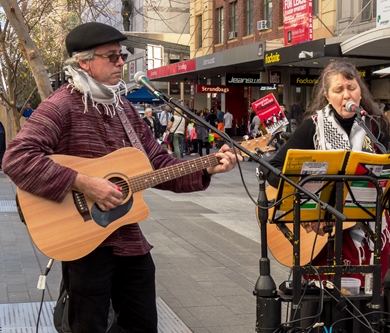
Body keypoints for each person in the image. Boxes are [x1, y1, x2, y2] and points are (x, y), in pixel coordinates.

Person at [1, 22, 240, 333]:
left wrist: (206, 167)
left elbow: (160, 167)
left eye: (122, 55)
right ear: (83, 62)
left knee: (142, 324)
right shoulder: (62, 105)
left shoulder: (123, 108)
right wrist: (85, 183)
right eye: (111, 56)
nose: (121, 62)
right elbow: (16, 158)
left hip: (129, 241)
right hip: (85, 242)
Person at [264, 61, 390, 283]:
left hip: (372, 227)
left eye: (351, 87)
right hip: (326, 232)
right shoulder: (312, 127)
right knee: (335, 303)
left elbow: (389, 177)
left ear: (360, 92)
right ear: (327, 95)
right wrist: (308, 204)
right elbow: (272, 169)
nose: (347, 95)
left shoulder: (375, 127)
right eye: (338, 89)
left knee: (379, 299)